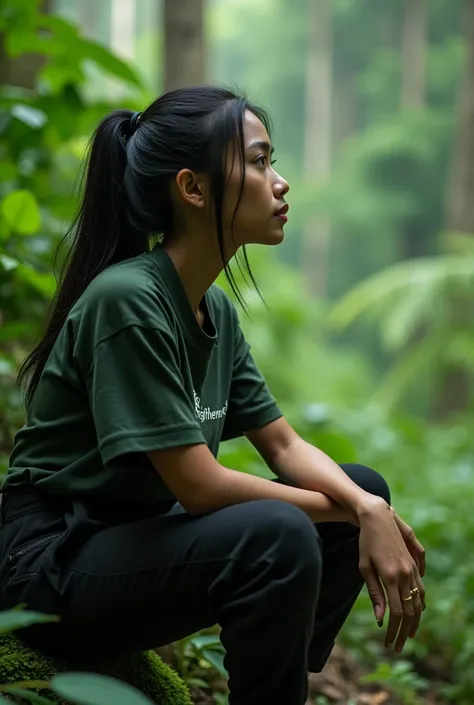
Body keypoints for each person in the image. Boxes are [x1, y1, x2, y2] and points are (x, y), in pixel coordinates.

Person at [0, 86, 425, 705]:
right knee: (284, 530)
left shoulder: (213, 310)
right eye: (257, 161)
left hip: (127, 542)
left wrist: (365, 505)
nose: (279, 183)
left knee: (361, 485)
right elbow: (199, 487)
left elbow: (281, 441)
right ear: (193, 189)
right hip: (49, 565)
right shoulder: (128, 301)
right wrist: (357, 514)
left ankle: (276, 677)